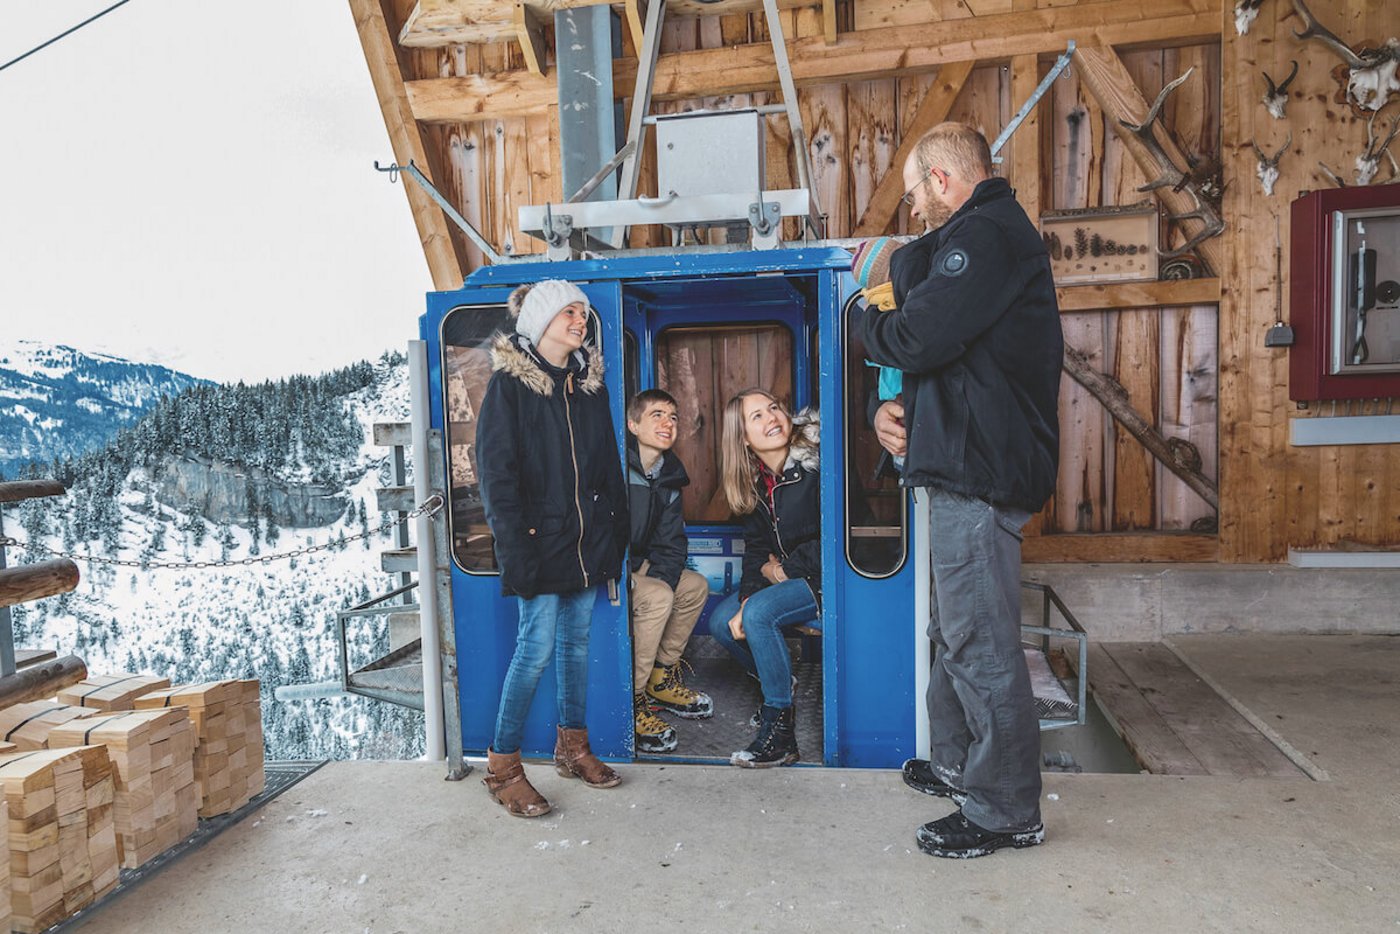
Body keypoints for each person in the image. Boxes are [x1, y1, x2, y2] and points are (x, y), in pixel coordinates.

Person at [853, 122, 1063, 857]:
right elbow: (932, 327)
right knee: (954, 632)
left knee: (980, 642)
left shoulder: (988, 237)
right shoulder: (972, 244)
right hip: (960, 463)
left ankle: (1005, 808)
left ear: (941, 182)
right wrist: (890, 410)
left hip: (981, 471)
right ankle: (957, 766)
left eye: (914, 194)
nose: (914, 210)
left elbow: (915, 337)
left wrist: (867, 315)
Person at [475, 279, 630, 818]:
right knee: (535, 649)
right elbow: (497, 476)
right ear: (540, 320)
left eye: (583, 313)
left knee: (575, 647)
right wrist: (517, 552)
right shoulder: (509, 387)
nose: (580, 320)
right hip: (539, 547)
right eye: (569, 311)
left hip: (587, 545)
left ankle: (572, 746)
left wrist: (617, 534)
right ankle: (502, 765)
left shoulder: (588, 386)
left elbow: (608, 465)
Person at [708, 389, 821, 768]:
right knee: (724, 623)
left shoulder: (818, 464)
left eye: (773, 408)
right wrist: (746, 599)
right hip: (784, 580)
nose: (771, 418)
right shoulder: (755, 482)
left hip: (826, 579)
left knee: (758, 616)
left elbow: (840, 533)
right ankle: (779, 680)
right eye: (756, 416)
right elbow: (757, 549)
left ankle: (780, 731)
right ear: (742, 437)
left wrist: (782, 571)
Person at [624, 388, 714, 754]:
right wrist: (651, 589)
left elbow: (672, 543)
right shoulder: (614, 467)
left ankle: (661, 677)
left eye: (673, 417)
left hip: (641, 564)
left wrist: (660, 579)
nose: (667, 423)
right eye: (657, 415)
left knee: (693, 586)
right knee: (659, 594)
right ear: (633, 424)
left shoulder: (669, 477)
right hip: (609, 568)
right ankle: (631, 699)